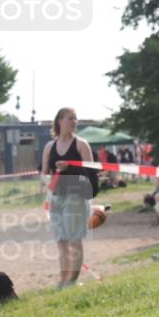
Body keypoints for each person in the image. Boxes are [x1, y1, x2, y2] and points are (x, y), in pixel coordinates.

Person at [41, 108, 95, 288]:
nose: (74, 122)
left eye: (75, 119)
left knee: (74, 239)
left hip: (76, 196)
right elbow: (44, 174)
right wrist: (47, 186)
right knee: (61, 241)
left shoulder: (81, 144)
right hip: (56, 197)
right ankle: (63, 280)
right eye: (70, 118)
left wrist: (70, 169)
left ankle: (73, 280)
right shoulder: (49, 147)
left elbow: (91, 172)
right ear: (59, 121)